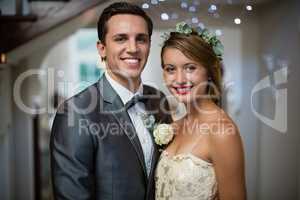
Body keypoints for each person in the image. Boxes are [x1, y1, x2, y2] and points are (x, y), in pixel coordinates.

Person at [50, 2, 172, 200]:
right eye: (121, 38)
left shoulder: (158, 100)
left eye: (141, 39)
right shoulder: (75, 111)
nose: (133, 48)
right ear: (102, 48)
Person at [155, 22, 246, 200]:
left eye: (190, 68)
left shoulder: (222, 132)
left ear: (209, 72)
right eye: (170, 69)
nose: (179, 79)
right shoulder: (176, 125)